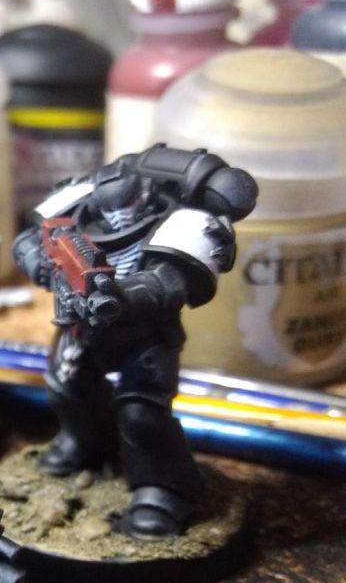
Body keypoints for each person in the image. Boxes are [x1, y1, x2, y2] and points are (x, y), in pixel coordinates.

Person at [13, 145, 258, 537]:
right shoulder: (79, 205)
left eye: (125, 209)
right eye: (110, 210)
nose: (117, 218)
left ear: (145, 198)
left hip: (146, 335)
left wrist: (122, 297)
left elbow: (170, 283)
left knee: (142, 415)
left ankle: (162, 492)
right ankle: (87, 444)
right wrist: (40, 264)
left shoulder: (183, 223)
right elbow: (27, 240)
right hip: (82, 327)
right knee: (67, 388)